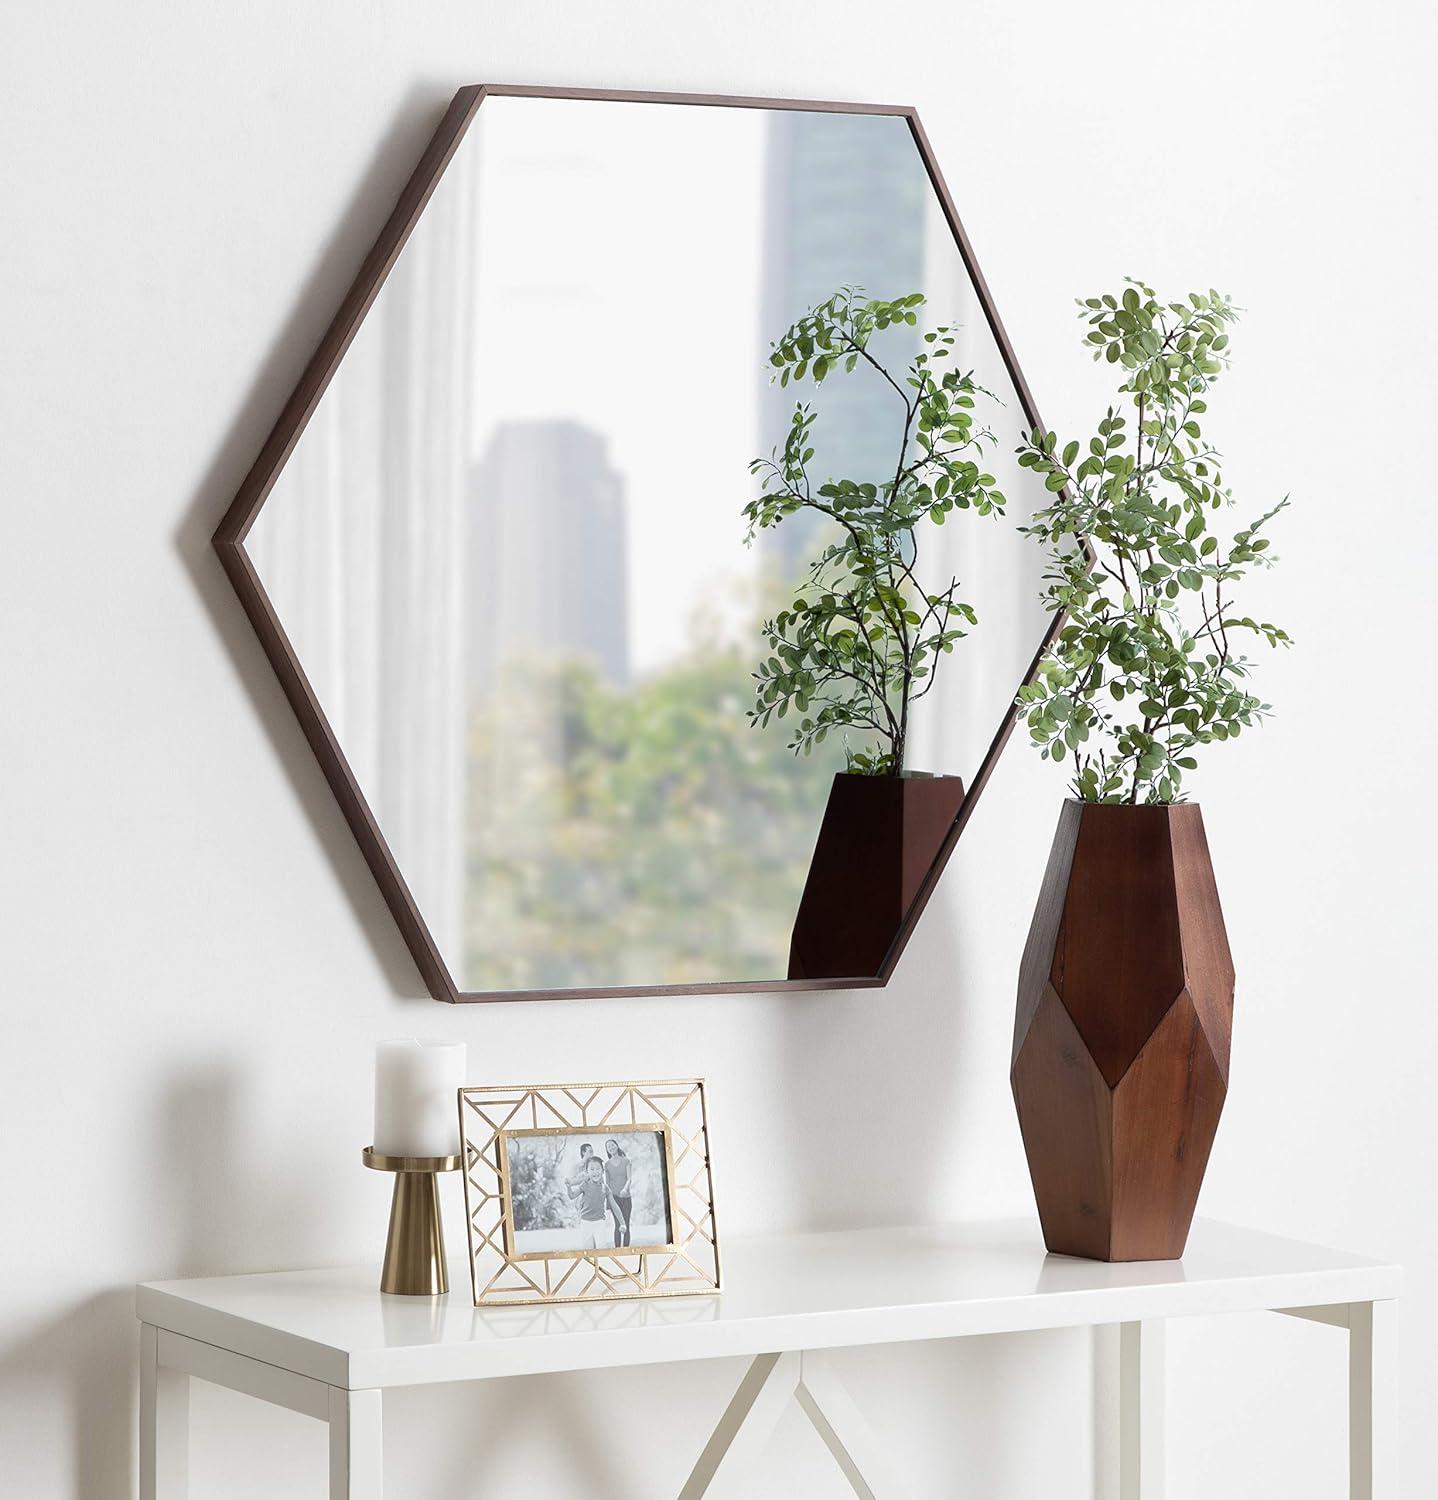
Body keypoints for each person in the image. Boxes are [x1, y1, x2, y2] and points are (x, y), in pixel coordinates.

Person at [567, 1153, 618, 1250]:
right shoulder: (584, 1184)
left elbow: (614, 1206)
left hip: (599, 1222)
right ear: (587, 1171)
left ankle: (601, 1265)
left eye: (598, 1169)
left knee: (601, 1247)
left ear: (602, 1171)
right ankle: (590, 1265)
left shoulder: (605, 1188)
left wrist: (622, 1223)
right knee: (588, 1250)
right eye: (592, 1169)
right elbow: (572, 1196)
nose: (595, 1172)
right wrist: (569, 1187)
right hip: (585, 1222)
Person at [604, 1138, 633, 1247]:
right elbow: (607, 1184)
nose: (611, 1147)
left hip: (626, 1197)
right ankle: (617, 1250)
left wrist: (625, 1189)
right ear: (607, 1150)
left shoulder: (626, 1161)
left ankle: (626, 1250)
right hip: (614, 1199)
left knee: (626, 1225)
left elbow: (629, 1178)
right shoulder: (606, 1165)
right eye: (608, 1146)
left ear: (617, 1145)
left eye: (612, 1145)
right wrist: (608, 1202)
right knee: (617, 1225)